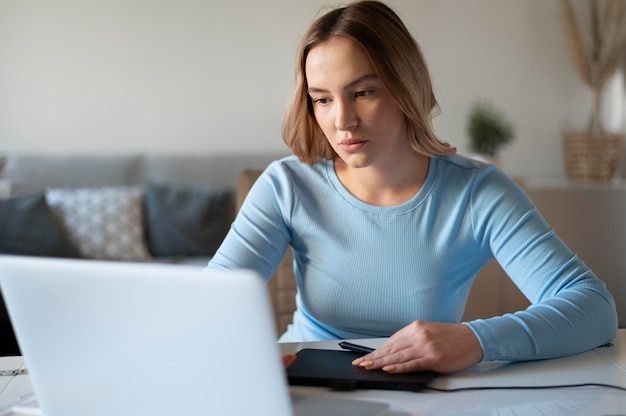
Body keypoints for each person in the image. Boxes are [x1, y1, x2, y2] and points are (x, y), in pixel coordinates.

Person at [207, 0, 617, 374]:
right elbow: (205, 304)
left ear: (406, 89)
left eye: (363, 92)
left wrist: (476, 339)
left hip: (428, 398)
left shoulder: (477, 192)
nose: (342, 121)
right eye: (322, 100)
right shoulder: (286, 185)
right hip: (305, 387)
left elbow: (594, 309)